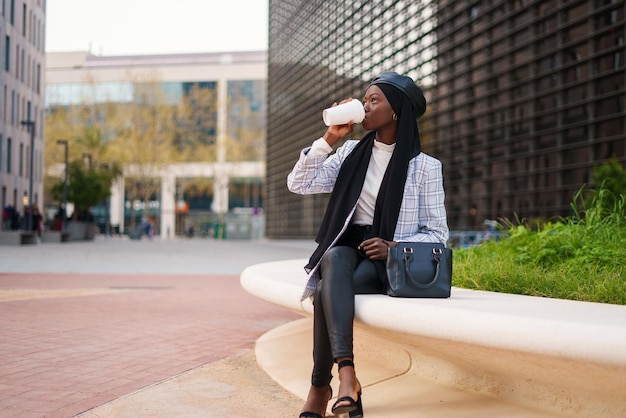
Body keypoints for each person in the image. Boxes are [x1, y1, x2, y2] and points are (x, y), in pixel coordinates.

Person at [287, 71, 449, 418]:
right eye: (365, 99)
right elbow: (299, 183)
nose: (365, 105)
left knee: (326, 294)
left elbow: (437, 233)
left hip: (387, 260)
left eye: (374, 100)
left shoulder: (425, 168)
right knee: (333, 259)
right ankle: (347, 376)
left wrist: (394, 246)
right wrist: (329, 137)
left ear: (396, 112)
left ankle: (320, 387)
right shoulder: (348, 153)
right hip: (347, 247)